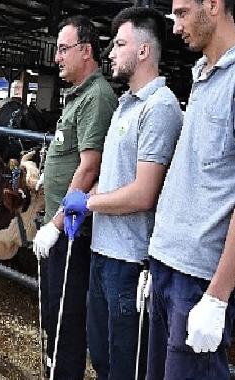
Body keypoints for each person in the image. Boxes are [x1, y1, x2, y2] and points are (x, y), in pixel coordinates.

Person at [62, 7, 183, 379]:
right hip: (103, 250)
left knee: (124, 365)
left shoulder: (160, 108)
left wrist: (89, 202)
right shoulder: (124, 106)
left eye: (119, 44)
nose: (111, 52)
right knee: (99, 354)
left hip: (128, 260)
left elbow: (144, 193)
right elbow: (115, 178)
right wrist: (88, 197)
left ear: (143, 51)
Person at [144, 0, 235, 378]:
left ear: (212, 4)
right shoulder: (202, 75)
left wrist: (217, 297)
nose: (175, 25)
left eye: (182, 13)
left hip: (199, 280)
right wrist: (157, 256)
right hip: (168, 267)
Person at [32, 16, 117, 379]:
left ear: (86, 50)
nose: (58, 57)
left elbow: (88, 168)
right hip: (61, 226)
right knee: (53, 314)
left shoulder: (96, 97)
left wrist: (53, 225)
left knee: (66, 320)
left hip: (71, 232)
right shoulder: (78, 96)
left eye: (64, 49)